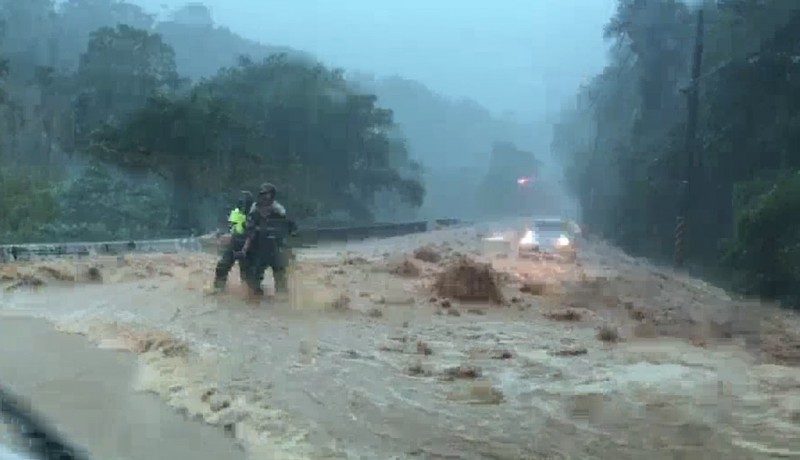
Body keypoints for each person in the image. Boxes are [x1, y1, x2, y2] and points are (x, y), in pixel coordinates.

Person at [237, 183, 297, 297]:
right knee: (254, 277)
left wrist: (289, 248)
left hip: (275, 247)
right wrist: (245, 249)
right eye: (262, 195)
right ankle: (257, 298)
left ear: (272, 196)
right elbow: (250, 231)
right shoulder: (255, 210)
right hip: (259, 248)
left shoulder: (279, 210)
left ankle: (282, 301)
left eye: (267, 195)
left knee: (280, 276)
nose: (264, 198)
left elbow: (290, 228)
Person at [211, 190, 253, 291]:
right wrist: (222, 234)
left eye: (245, 202)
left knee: (248, 274)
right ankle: (218, 289)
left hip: (249, 244)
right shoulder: (235, 212)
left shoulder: (255, 213)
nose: (242, 204)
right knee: (222, 267)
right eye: (241, 201)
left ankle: (250, 294)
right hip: (234, 242)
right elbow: (229, 226)